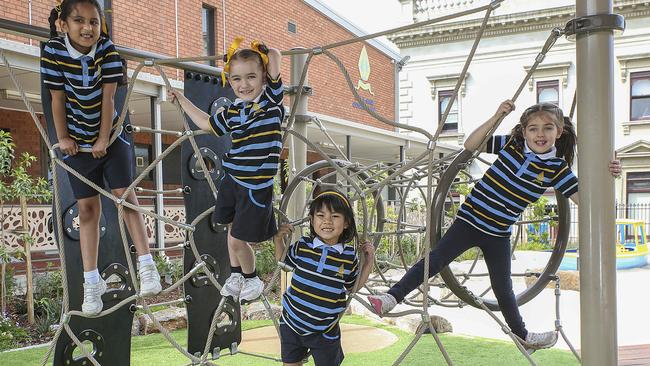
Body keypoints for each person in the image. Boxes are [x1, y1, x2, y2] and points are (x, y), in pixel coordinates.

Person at [368, 100, 622, 352]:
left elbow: (588, 204)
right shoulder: (512, 145)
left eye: (548, 128)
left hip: (499, 233)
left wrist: (609, 176)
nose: (540, 134)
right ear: (524, 132)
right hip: (470, 220)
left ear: (559, 132)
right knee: (433, 260)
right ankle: (391, 297)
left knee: (503, 288)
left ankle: (522, 335)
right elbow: (471, 144)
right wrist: (496, 116)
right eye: (533, 128)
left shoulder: (557, 169)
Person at [42, 0, 162, 315]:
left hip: (112, 138)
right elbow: (57, 99)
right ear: (64, 25)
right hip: (78, 147)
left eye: (94, 21)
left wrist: (103, 138)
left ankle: (147, 265)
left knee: (126, 199)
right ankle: (91, 282)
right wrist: (64, 137)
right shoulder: (53, 53)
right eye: (79, 21)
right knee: (88, 210)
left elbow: (109, 97)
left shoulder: (107, 52)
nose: (88, 28)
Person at [171, 38, 284, 303]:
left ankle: (252, 277)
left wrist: (265, 51)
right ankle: (236, 275)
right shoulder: (233, 111)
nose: (244, 85)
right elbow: (207, 123)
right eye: (236, 79)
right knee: (230, 231)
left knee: (237, 239)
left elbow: (276, 55)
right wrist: (182, 100)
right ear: (229, 81)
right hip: (232, 179)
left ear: (264, 77)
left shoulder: (271, 100)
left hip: (255, 185)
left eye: (251, 77)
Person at [273, 190, 375, 366]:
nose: (327, 221)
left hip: (324, 330)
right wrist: (278, 240)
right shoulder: (303, 246)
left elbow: (353, 287)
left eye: (335, 216)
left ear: (346, 223)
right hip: (292, 323)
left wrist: (369, 261)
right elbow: (282, 261)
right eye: (320, 215)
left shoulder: (349, 255)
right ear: (312, 221)